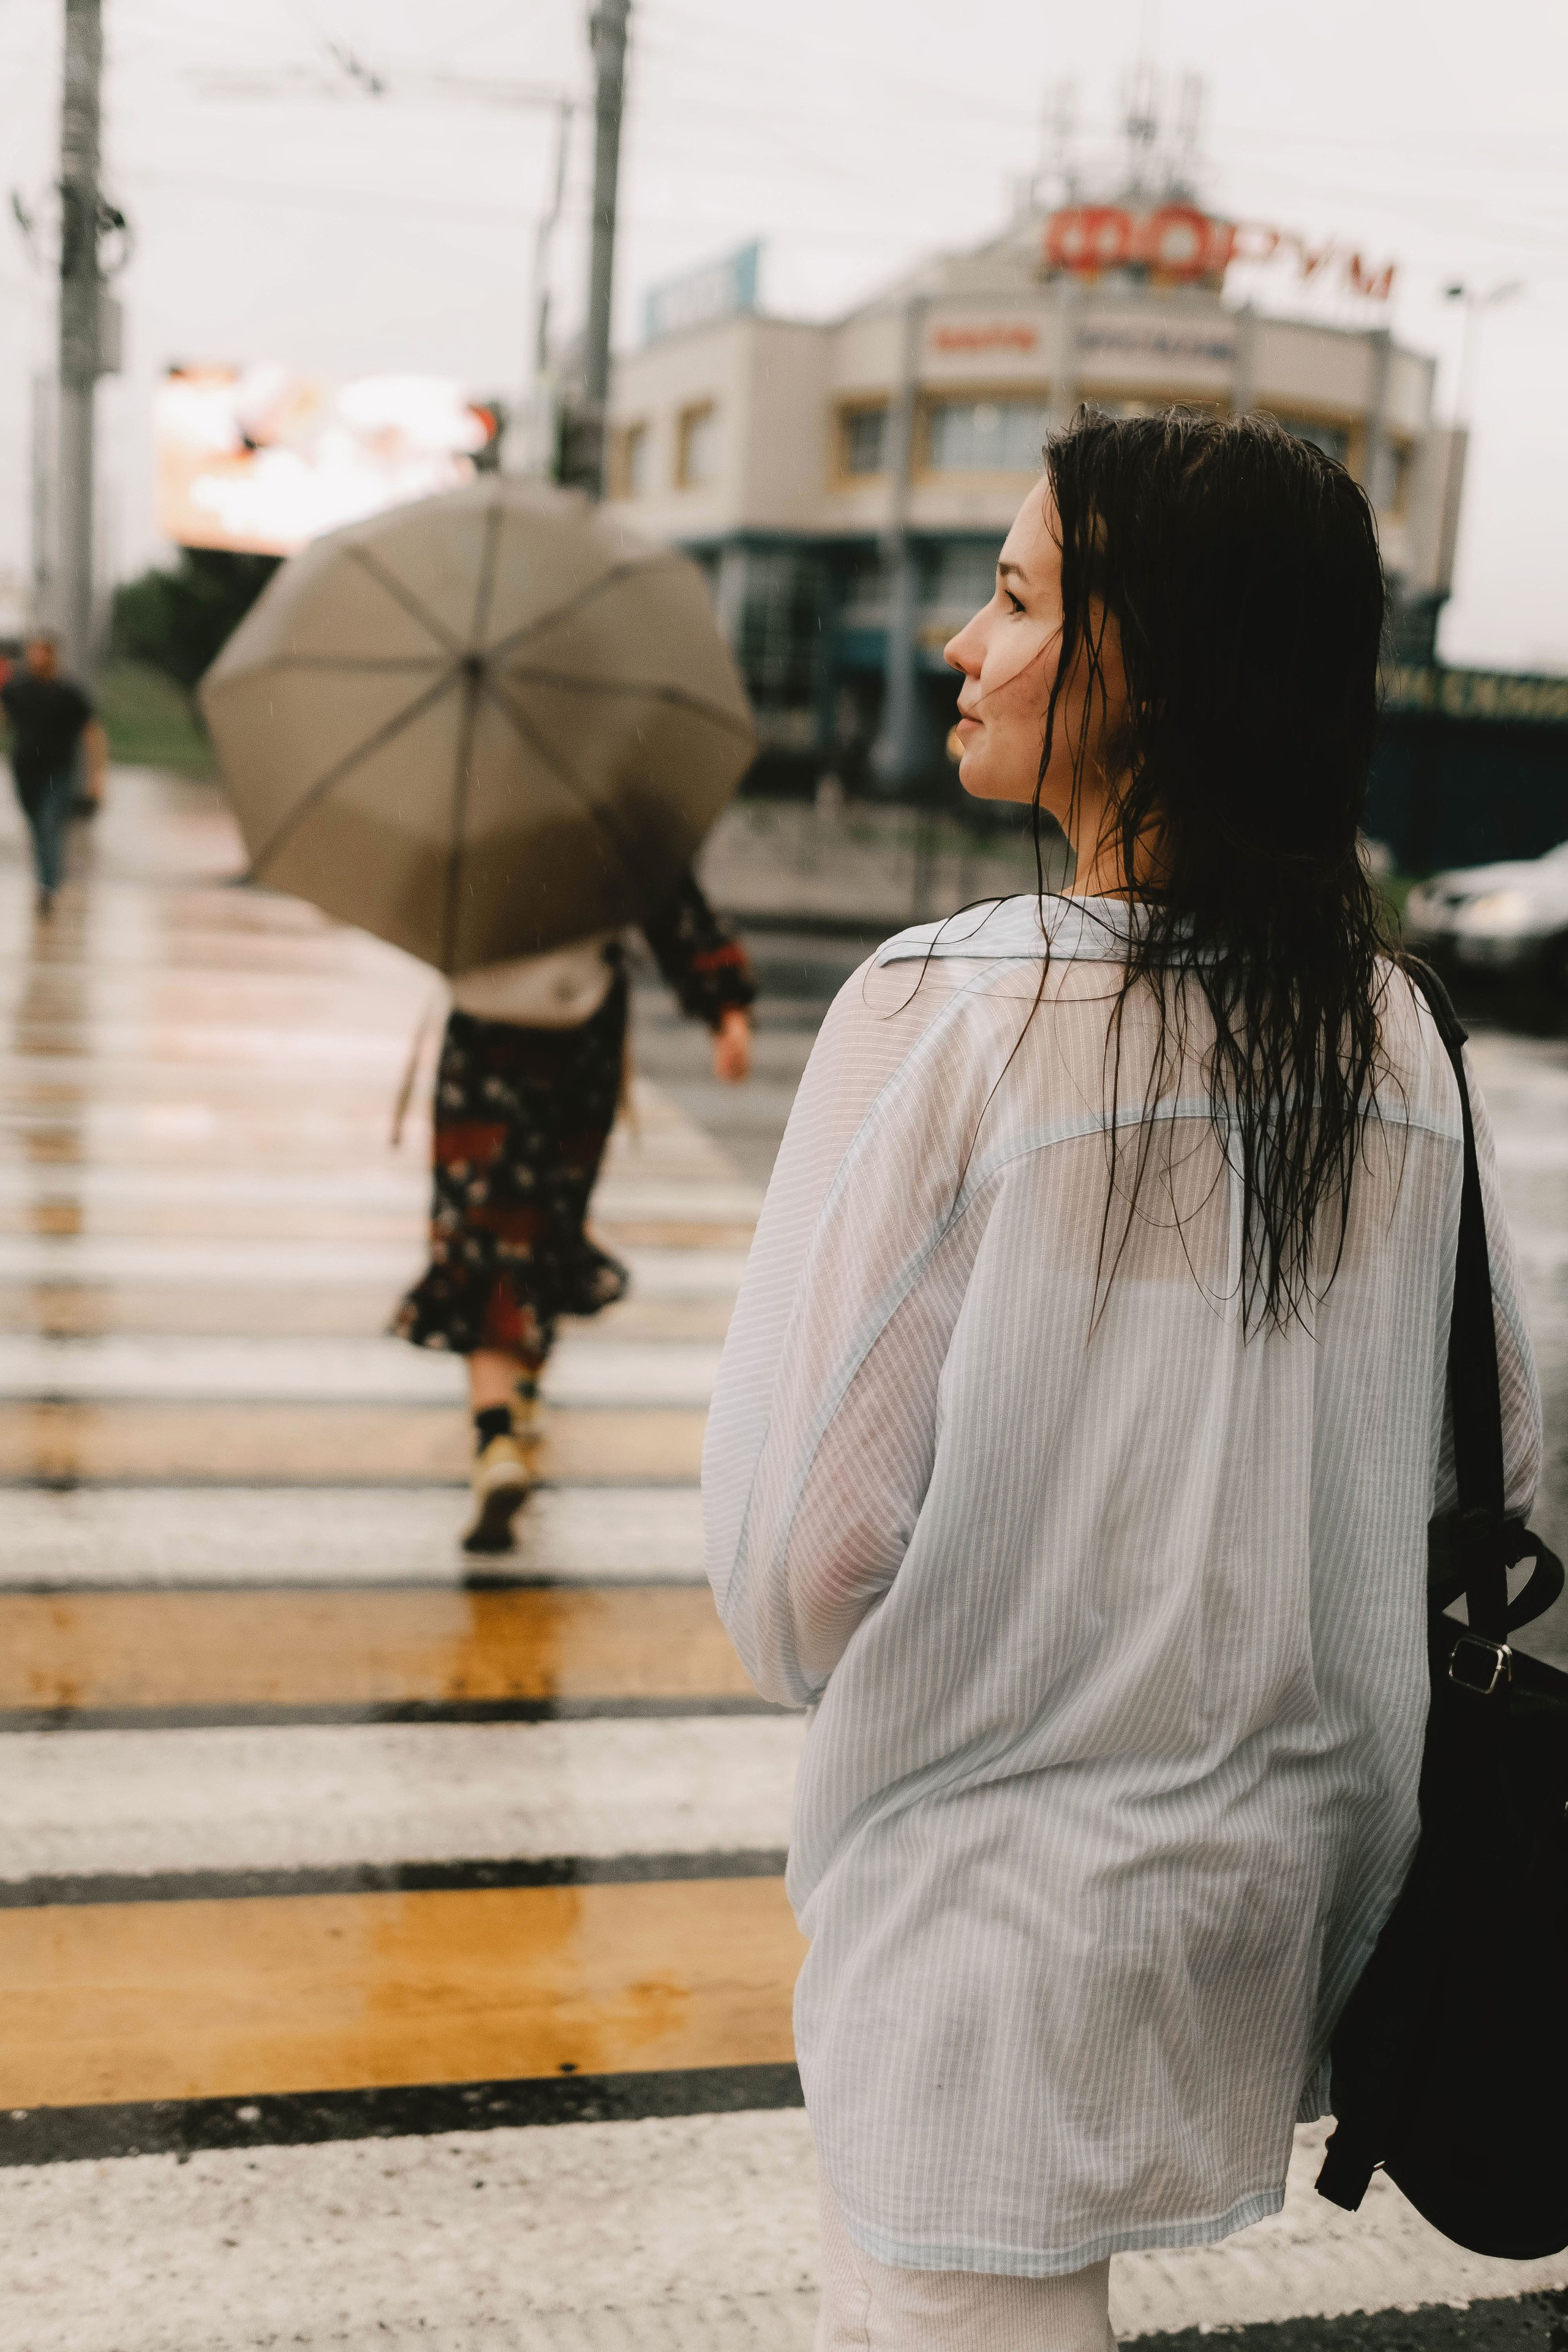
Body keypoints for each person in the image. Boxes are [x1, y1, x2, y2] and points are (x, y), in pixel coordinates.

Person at [703, 412, 1541, 2350]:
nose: (958, 649)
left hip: (987, 1901)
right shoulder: (1397, 1038)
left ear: (1145, 671)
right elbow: (1489, 1455)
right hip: (1281, 1883)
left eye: (1009, 601)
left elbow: (804, 1552)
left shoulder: (951, 1008)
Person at [396, 869, 755, 1553]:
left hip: (484, 1034)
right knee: (550, 1217)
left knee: (482, 1230)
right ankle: (525, 1386)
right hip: (580, 1034)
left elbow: (419, 903)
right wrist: (724, 1006)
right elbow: (668, 896)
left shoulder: (466, 793)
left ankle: (495, 1435)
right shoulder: (605, 795)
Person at [0, 633, 106, 913]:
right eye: (34, 652)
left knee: (49, 828)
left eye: (44, 652)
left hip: (57, 773)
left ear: (54, 656)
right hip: (24, 771)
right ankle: (47, 879)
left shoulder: (68, 694)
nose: (38, 658)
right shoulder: (17, 690)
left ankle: (48, 888)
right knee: (37, 829)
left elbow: (93, 735)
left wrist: (97, 778)